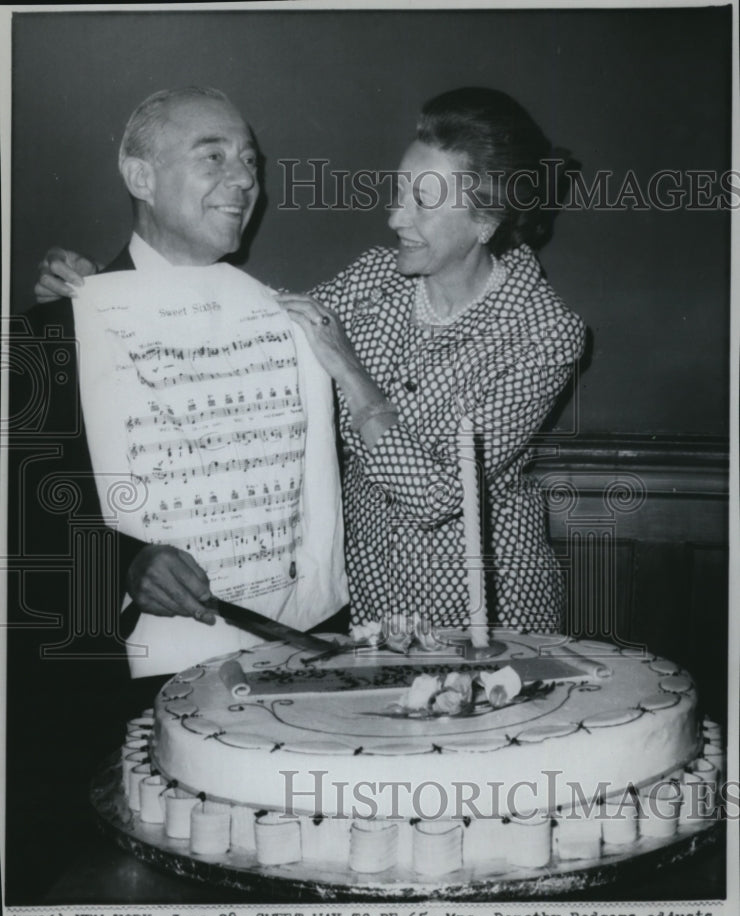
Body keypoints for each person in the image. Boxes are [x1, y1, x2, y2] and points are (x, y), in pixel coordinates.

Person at [35, 87, 585, 636]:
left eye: (423, 201)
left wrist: (349, 369)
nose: (395, 217)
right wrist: (99, 300)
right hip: (368, 612)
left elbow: (437, 497)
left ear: (485, 218)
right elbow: (261, 329)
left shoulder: (545, 333)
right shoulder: (376, 278)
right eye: (399, 191)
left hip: (482, 614)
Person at [19, 86, 346, 676]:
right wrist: (125, 563)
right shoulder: (53, 331)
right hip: (122, 689)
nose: (244, 179)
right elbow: (27, 516)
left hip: (284, 666)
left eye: (250, 161)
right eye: (212, 156)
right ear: (140, 177)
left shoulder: (296, 324)